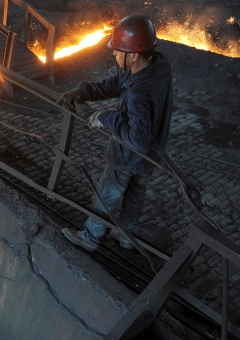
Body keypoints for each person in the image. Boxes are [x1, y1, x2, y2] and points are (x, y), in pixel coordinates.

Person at [57, 14, 173, 252]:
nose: (114, 54)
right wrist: (83, 92)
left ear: (133, 54)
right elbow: (116, 83)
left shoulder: (138, 93)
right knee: (135, 194)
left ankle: (90, 237)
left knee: (105, 197)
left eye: (118, 51)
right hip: (152, 154)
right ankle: (126, 234)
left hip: (128, 156)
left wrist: (103, 117)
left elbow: (136, 139)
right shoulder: (157, 67)